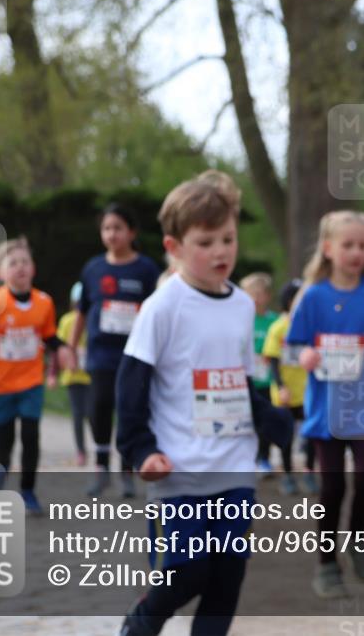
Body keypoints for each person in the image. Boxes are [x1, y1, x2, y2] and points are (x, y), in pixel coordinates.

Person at [116, 170, 291, 636]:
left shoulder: (241, 305)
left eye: (228, 239)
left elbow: (236, 380)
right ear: (174, 248)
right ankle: (139, 623)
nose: (221, 251)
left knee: (226, 580)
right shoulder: (163, 306)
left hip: (234, 465)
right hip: (180, 471)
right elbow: (132, 384)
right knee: (187, 572)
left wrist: (269, 419)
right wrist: (138, 449)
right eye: (206, 241)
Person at [287, 210, 364, 598]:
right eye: (348, 245)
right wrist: (303, 357)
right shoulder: (313, 297)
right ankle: (326, 563)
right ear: (328, 248)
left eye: (363, 246)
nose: (356, 252)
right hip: (325, 413)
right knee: (331, 489)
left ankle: (358, 539)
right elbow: (292, 346)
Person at [0, 237, 74, 515]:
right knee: (4, 444)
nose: (19, 267)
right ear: (0, 272)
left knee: (31, 437)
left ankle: (27, 491)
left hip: (30, 383)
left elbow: (49, 336)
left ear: (33, 268)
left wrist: (62, 350)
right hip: (1, 385)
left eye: (24, 262)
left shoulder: (44, 303)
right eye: (12, 263)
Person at [71, 204, 160, 497]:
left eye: (118, 228)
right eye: (106, 228)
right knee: (99, 409)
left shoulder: (146, 269)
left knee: (129, 410)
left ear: (131, 232)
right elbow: (82, 312)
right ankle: (100, 470)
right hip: (100, 355)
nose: (112, 234)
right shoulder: (93, 268)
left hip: (135, 356)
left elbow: (158, 312)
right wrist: (72, 348)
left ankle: (127, 473)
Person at [262, 278, 317, 496]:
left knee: (312, 436)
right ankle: (287, 476)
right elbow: (273, 361)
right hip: (285, 393)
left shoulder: (312, 325)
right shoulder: (278, 327)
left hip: (308, 391)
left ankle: (309, 472)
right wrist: (281, 387)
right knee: (286, 436)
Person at [241, 272, 279, 477]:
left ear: (267, 295)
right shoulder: (240, 319)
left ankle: (264, 458)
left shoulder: (274, 320)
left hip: (268, 380)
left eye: (259, 293)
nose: (255, 299)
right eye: (250, 294)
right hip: (246, 380)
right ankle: (248, 458)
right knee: (247, 422)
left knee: (266, 421)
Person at [55, 282, 91, 466]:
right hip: (73, 376)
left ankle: (101, 447)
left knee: (93, 414)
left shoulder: (93, 319)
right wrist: (53, 374)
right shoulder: (67, 321)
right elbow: (58, 348)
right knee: (78, 414)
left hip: (92, 375)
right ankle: (81, 451)